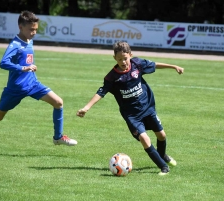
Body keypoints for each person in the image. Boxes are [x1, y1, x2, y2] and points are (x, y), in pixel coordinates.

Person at [76, 41, 184, 175]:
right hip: (132, 116)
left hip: (148, 108)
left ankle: (162, 157)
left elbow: (155, 65)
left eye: (125, 58)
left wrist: (173, 66)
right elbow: (101, 92)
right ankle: (163, 167)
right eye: (119, 59)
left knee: (161, 135)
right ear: (114, 58)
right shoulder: (112, 77)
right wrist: (86, 108)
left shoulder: (137, 64)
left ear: (131, 55)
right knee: (145, 139)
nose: (123, 62)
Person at [0, 11, 77, 146]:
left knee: (58, 102)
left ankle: (58, 138)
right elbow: (3, 63)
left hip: (32, 84)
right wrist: (22, 68)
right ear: (20, 27)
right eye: (31, 29)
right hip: (15, 89)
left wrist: (28, 69)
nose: (34, 32)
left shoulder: (29, 40)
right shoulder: (15, 44)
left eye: (36, 29)